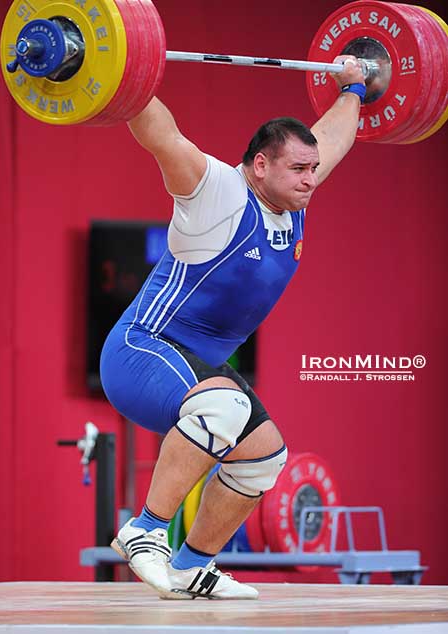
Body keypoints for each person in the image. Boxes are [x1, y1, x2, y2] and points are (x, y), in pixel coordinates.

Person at [100, 55, 366, 600]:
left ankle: (194, 565)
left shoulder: (293, 199)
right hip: (140, 351)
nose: (312, 179)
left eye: (313, 170)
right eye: (299, 170)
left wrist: (356, 87)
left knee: (263, 457)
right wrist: (123, 78)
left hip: (197, 368)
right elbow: (163, 137)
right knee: (228, 406)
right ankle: (145, 530)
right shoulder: (217, 192)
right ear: (260, 165)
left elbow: (334, 139)